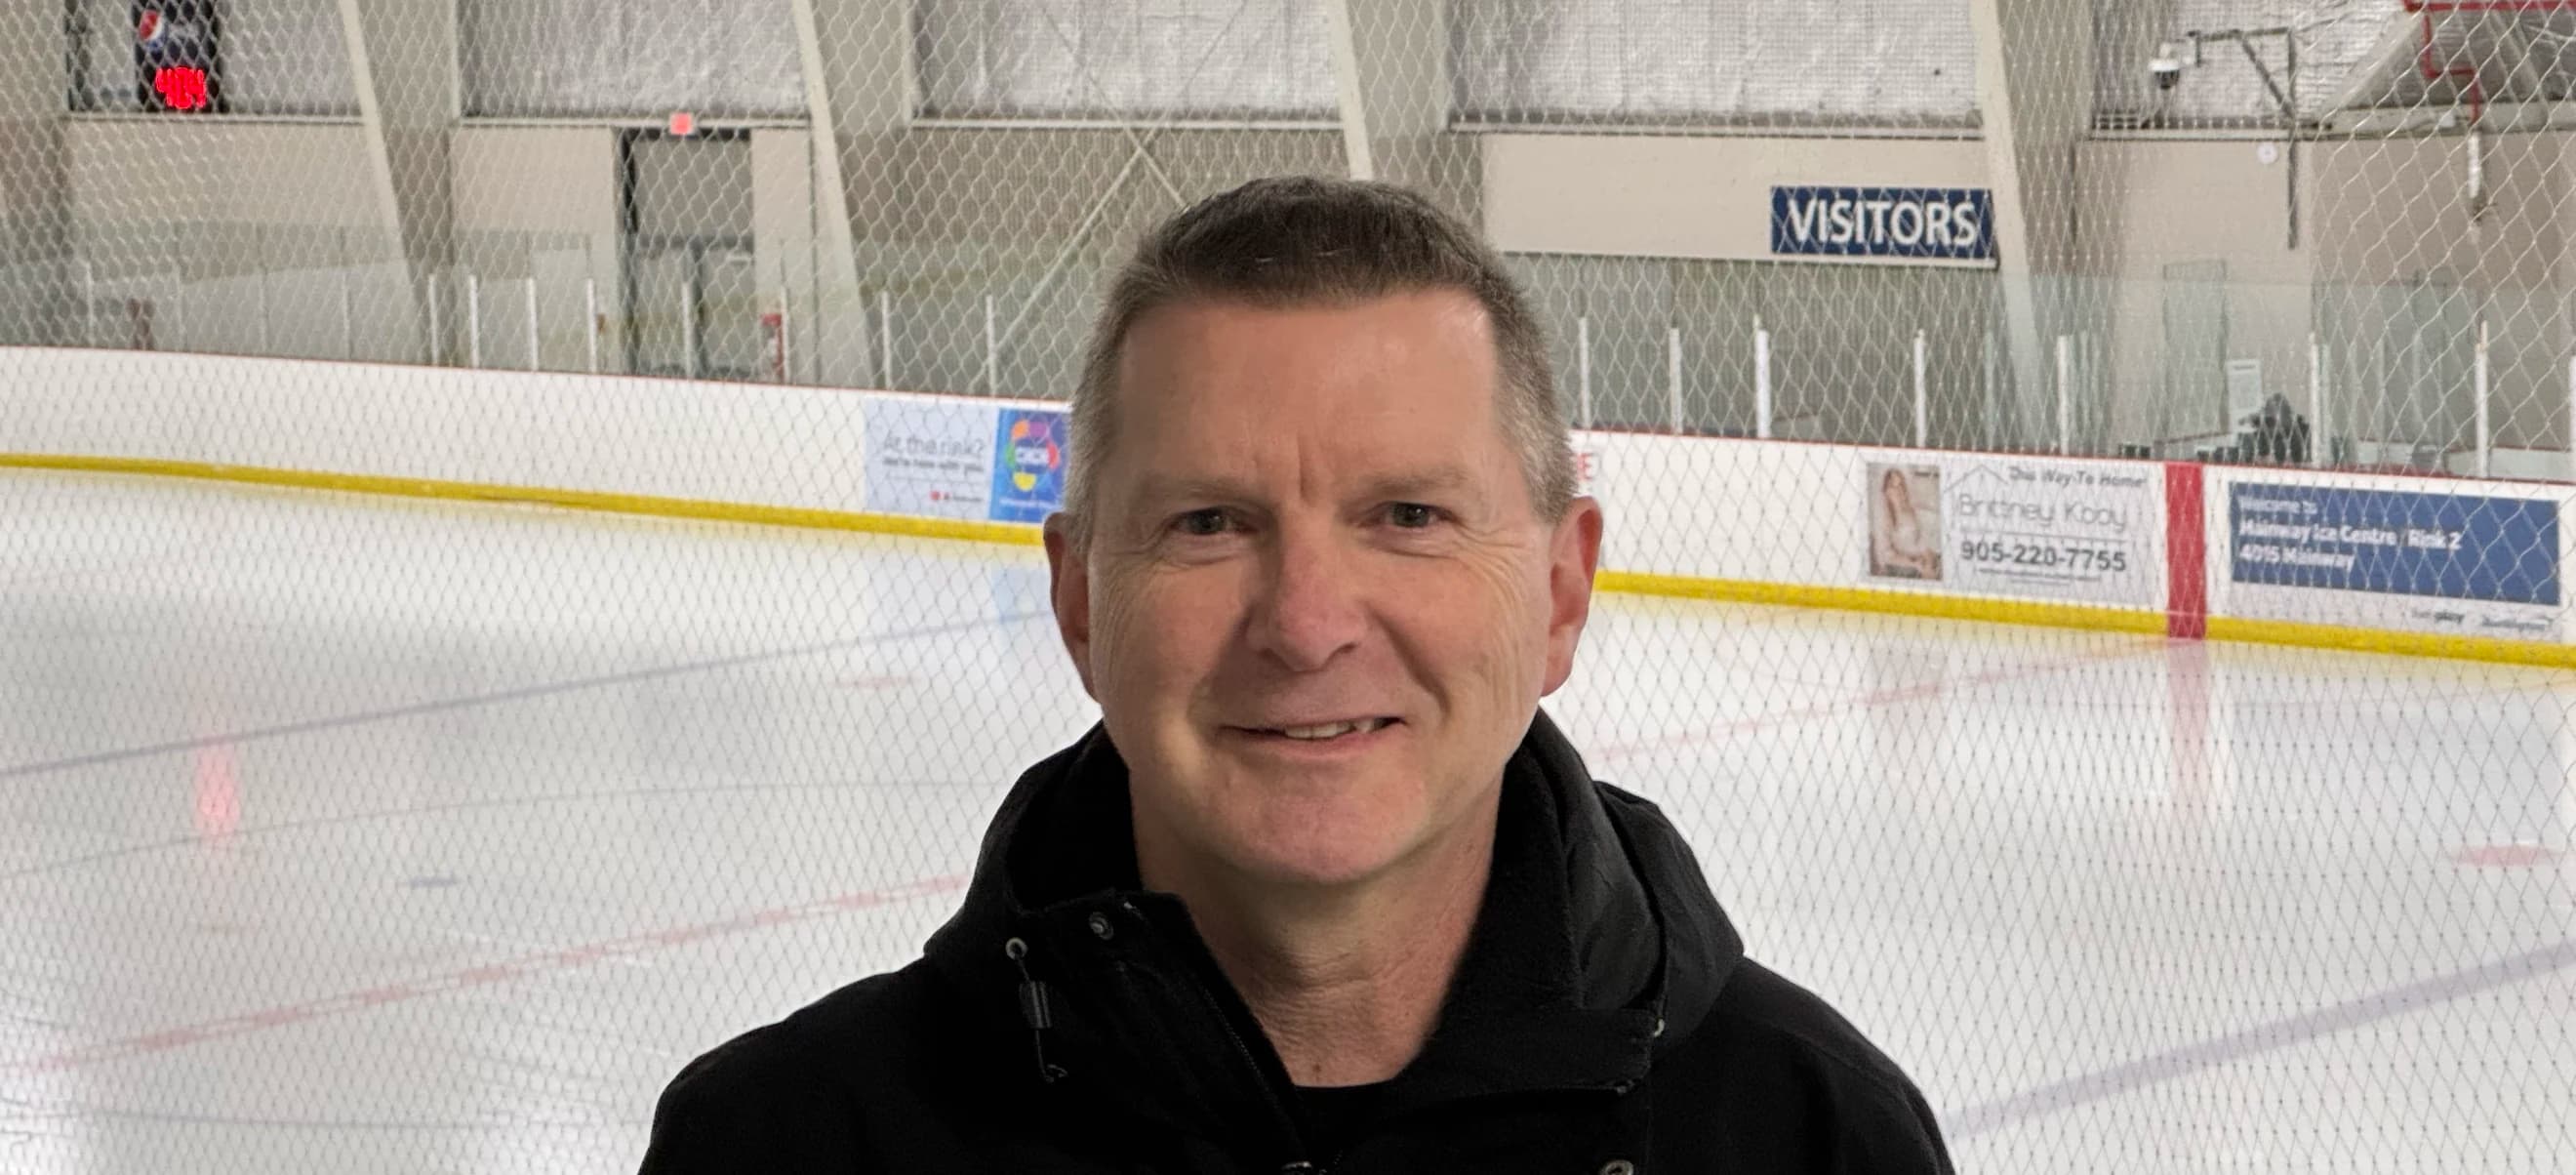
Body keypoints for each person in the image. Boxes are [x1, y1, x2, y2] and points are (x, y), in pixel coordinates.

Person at [639, 176, 1954, 1174]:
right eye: (1209, 522)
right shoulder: (782, 1143)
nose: (1307, 624)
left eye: (1409, 516)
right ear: (1081, 600)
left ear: (1561, 593)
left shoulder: (1814, 1135)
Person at [1872, 466, 1942, 580]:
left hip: (1919, 560)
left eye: (1901, 485)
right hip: (1900, 567)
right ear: (1886, 491)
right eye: (1893, 486)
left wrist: (1928, 556)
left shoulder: (1910, 511)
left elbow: (1920, 540)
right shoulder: (1884, 518)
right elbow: (1886, 555)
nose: (1899, 490)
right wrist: (1914, 563)